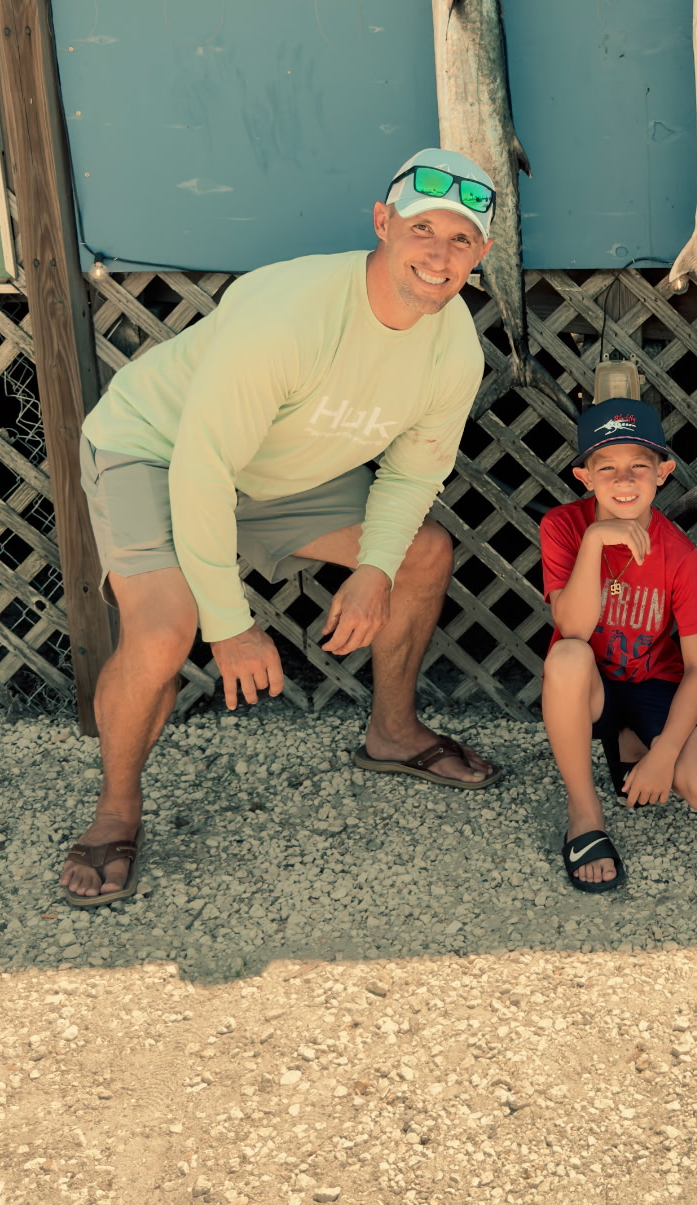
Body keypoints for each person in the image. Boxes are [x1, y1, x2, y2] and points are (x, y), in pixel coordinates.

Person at [64, 150, 504, 907]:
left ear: (482, 255)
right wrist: (230, 627)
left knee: (421, 556)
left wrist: (373, 573)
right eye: (421, 227)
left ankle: (392, 734)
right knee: (168, 630)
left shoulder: (454, 345)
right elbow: (200, 469)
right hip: (160, 448)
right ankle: (116, 811)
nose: (438, 253)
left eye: (461, 239)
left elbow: (410, 473)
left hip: (278, 468)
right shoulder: (290, 314)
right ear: (382, 223)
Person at [539, 399, 697, 894]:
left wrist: (665, 753)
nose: (624, 481)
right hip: (590, 687)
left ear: (663, 472)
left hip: (653, 682)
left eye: (638, 467)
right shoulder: (562, 526)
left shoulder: (679, 554)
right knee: (567, 655)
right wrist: (596, 541)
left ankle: (633, 740)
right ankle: (584, 814)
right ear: (585, 476)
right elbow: (573, 627)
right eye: (607, 468)